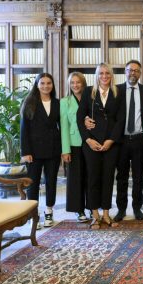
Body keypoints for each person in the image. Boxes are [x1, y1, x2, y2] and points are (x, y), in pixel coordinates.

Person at [77, 63, 125, 229]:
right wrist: (88, 139)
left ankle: (106, 213)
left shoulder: (118, 93)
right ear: (96, 76)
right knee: (93, 178)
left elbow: (120, 119)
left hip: (111, 144)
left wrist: (111, 140)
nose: (104, 76)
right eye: (101, 73)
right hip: (92, 143)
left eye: (107, 73)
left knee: (108, 178)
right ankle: (95, 214)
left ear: (111, 76)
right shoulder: (88, 92)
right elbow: (80, 117)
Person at [20, 72, 61, 229]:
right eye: (42, 83)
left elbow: (62, 126)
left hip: (53, 150)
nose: (46, 86)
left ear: (52, 85)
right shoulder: (30, 102)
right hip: (34, 152)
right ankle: (33, 216)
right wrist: (26, 152)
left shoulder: (58, 103)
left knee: (51, 182)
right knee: (33, 183)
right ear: (37, 85)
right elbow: (24, 129)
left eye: (48, 83)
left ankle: (49, 212)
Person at [114, 60, 143, 222]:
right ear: (125, 72)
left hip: (139, 139)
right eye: (129, 70)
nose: (133, 73)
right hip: (121, 140)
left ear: (140, 73)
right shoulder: (116, 90)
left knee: (138, 176)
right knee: (121, 176)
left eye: (136, 70)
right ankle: (121, 209)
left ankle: (137, 208)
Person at [60, 71, 90, 222]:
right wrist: (65, 150)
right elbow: (64, 127)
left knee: (91, 177)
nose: (75, 85)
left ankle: (92, 207)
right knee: (76, 178)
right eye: (72, 83)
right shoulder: (65, 102)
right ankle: (79, 210)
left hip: (90, 142)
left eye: (78, 82)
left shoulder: (91, 98)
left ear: (83, 83)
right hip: (74, 144)